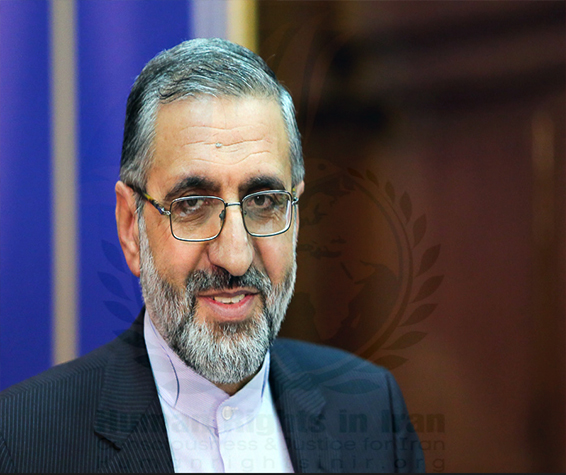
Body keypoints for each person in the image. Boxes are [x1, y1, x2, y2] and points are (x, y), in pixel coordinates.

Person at [0, 38, 424, 473]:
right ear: (131, 227)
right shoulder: (23, 443)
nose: (235, 256)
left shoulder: (373, 411)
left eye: (263, 201)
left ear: (295, 215)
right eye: (192, 205)